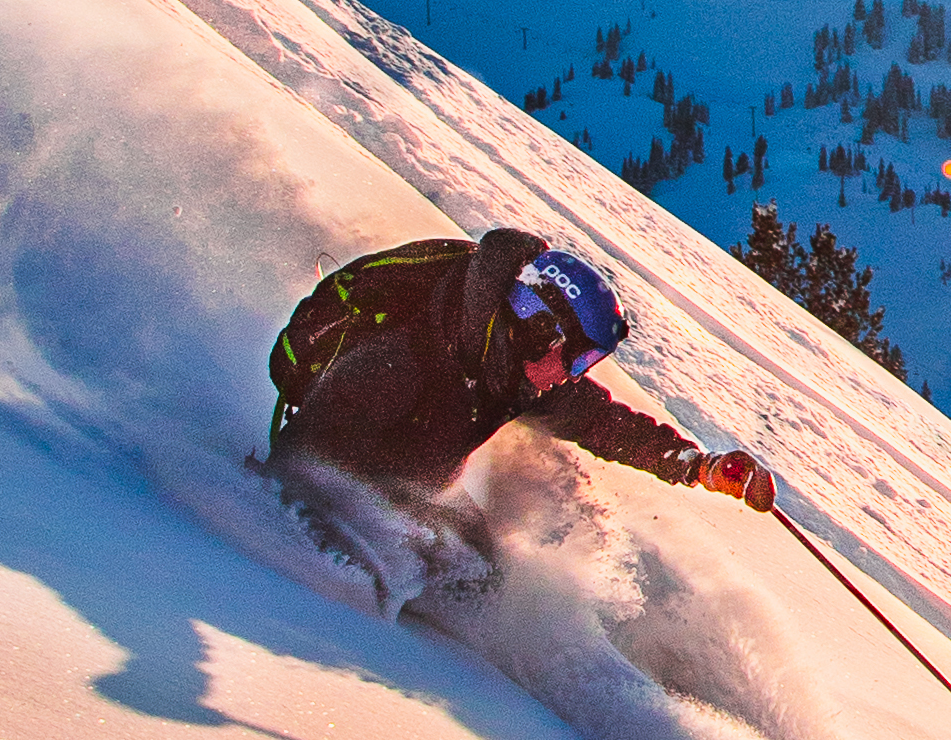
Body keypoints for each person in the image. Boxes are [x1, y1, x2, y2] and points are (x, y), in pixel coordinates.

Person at [264, 227, 770, 602]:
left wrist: (698, 465)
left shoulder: (518, 370)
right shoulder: (393, 364)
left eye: (588, 362)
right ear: (537, 329)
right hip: (347, 478)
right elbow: (297, 467)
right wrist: (337, 564)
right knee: (451, 560)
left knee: (485, 573)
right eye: (576, 357)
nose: (574, 374)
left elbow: (601, 423)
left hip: (412, 482)